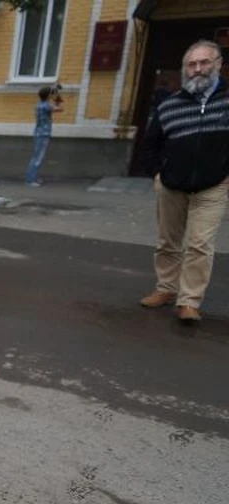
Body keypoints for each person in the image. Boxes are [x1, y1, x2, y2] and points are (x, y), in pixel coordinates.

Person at [140, 40, 228, 325]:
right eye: (192, 64)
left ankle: (189, 301)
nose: (198, 69)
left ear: (217, 65)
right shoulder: (170, 105)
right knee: (168, 242)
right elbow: (150, 144)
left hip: (213, 186)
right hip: (171, 185)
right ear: (185, 69)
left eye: (204, 63)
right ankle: (166, 288)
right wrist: (157, 173)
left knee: (200, 244)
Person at [26, 86, 64, 187]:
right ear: (48, 95)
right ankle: (30, 180)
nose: (51, 95)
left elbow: (53, 107)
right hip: (43, 134)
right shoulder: (46, 106)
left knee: (36, 156)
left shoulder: (40, 105)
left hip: (39, 133)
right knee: (38, 157)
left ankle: (32, 178)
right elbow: (61, 109)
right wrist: (58, 97)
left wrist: (55, 96)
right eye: (50, 94)